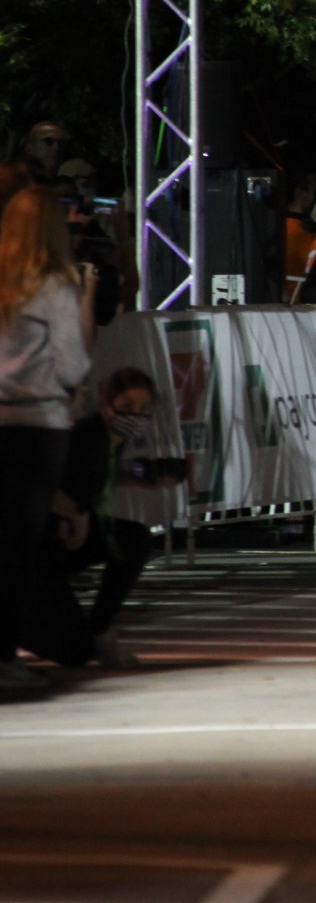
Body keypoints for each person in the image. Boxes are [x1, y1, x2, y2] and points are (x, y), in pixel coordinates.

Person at [0, 174, 96, 695]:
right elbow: (72, 362)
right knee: (17, 546)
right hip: (36, 423)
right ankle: (4, 655)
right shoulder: (54, 284)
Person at [23, 368, 180, 668]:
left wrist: (140, 477)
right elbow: (45, 482)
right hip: (40, 549)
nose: (136, 415)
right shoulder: (86, 436)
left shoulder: (110, 441)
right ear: (106, 403)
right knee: (73, 651)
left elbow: (96, 476)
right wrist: (77, 513)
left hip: (63, 542)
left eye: (145, 409)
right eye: (129, 406)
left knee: (132, 539)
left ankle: (98, 629)